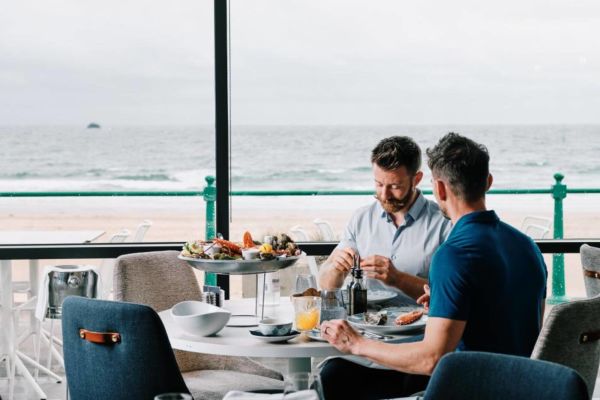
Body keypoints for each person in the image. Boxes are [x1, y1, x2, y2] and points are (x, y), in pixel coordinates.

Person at [319, 133, 548, 400]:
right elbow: (520, 325)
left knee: (332, 379)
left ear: (438, 188)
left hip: (467, 390)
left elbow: (432, 359)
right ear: (488, 182)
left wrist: (357, 344)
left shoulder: (453, 253)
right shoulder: (528, 245)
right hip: (526, 388)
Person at [319, 136, 451, 305]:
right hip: (365, 324)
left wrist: (398, 279)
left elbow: (451, 293)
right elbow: (325, 284)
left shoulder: (444, 223)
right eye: (379, 184)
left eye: (395, 186)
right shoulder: (361, 218)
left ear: (416, 179)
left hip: (420, 329)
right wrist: (336, 269)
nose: (384, 195)